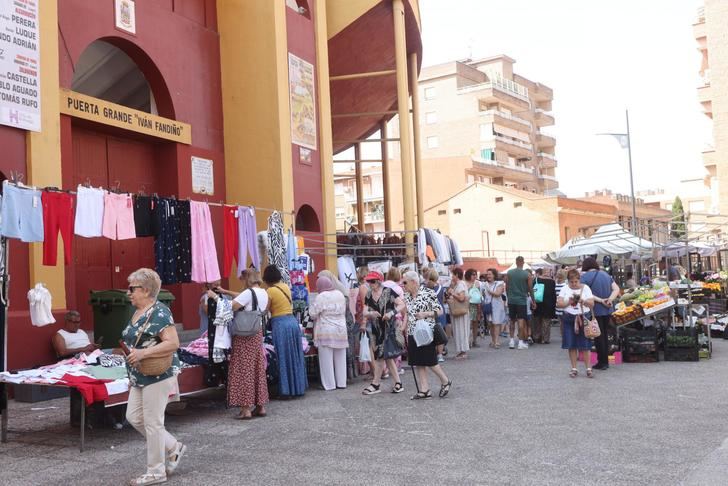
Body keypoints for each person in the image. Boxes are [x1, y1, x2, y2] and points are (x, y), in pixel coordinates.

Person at [121, 268, 185, 485]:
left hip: (158, 374)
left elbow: (173, 343)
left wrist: (142, 353)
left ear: (146, 290)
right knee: (134, 417)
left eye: (132, 288)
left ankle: (156, 472)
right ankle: (174, 447)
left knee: (153, 422)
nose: (128, 292)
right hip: (140, 374)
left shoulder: (160, 312)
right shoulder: (139, 311)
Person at [210, 270, 269, 420]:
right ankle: (260, 406)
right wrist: (225, 291)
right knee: (257, 368)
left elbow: (232, 306)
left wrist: (215, 297)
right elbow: (243, 297)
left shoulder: (248, 293)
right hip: (256, 332)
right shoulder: (263, 292)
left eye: (242, 278)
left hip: (244, 334)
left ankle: (245, 409)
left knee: (243, 369)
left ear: (247, 278)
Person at [401, 271, 452, 400]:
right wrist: (404, 326)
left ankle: (445, 381)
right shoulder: (407, 296)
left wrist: (426, 314)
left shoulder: (428, 293)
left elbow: (440, 311)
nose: (403, 285)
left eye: (405, 282)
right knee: (418, 361)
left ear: (413, 282)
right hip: (412, 331)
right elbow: (407, 312)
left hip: (426, 331)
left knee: (430, 360)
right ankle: (424, 389)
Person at [263, 264, 308, 398]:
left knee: (283, 356)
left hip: (280, 324)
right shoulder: (285, 286)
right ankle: (298, 387)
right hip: (292, 322)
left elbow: (265, 310)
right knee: (294, 355)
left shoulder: (270, 291)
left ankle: (286, 390)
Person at [361, 271, 406, 395]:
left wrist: (391, 313)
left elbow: (402, 304)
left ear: (379, 281)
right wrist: (371, 314)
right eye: (369, 281)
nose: (370, 284)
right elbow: (364, 312)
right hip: (376, 329)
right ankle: (398, 383)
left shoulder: (388, 292)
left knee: (381, 356)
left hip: (388, 328)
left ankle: (376, 384)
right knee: (386, 357)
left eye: (372, 281)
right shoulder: (369, 294)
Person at [309, 275, 348, 391]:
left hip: (326, 331)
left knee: (326, 360)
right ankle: (341, 382)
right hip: (341, 330)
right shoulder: (340, 294)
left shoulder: (321, 297)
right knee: (340, 358)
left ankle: (329, 385)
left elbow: (312, 314)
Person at [581, 257, 620, 371]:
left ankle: (602, 362)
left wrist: (601, 300)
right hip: (608, 309)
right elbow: (616, 289)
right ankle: (605, 361)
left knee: (598, 336)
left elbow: (586, 294)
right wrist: (610, 300)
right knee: (605, 335)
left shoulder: (584, 277)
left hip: (595, 310)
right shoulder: (606, 275)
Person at [557, 268, 595, 378]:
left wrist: (583, 301)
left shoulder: (585, 288)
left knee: (586, 345)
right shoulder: (564, 288)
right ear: (568, 281)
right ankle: (574, 368)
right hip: (569, 318)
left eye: (576, 281)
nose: (574, 284)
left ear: (579, 280)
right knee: (571, 344)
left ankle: (588, 368)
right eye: (571, 282)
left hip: (584, 317)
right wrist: (569, 302)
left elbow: (592, 304)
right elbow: (559, 304)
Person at [506, 256, 536, 350]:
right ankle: (520, 342)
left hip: (511, 300)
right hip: (521, 300)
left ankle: (511, 341)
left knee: (512, 320)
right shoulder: (527, 274)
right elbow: (530, 289)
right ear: (523, 262)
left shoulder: (509, 272)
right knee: (521, 321)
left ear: (516, 262)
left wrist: (509, 297)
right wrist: (533, 301)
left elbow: (507, 286)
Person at [423, 268, 448, 362]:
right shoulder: (441, 288)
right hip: (440, 312)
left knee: (431, 333)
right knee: (439, 333)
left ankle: (432, 353)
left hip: (429, 312)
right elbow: (443, 300)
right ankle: (440, 355)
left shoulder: (424, 287)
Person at [447, 267, 470, 359]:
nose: (452, 276)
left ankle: (463, 351)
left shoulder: (461, 284)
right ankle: (461, 351)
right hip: (458, 312)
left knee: (461, 330)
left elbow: (462, 298)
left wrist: (452, 293)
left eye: (453, 275)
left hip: (461, 311)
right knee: (458, 330)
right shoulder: (458, 284)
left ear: (456, 275)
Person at [482, 269, 506, 348]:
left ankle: (497, 341)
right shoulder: (485, 284)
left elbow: (498, 294)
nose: (488, 276)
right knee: (490, 324)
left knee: (496, 323)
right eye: (487, 274)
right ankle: (493, 340)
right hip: (488, 305)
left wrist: (489, 291)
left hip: (497, 305)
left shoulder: (499, 283)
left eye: (490, 274)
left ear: (494, 275)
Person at [532, 268, 557, 344]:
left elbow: (532, 290)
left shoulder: (536, 280)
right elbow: (553, 294)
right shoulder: (552, 281)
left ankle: (536, 337)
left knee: (537, 320)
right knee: (546, 321)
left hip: (538, 302)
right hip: (548, 303)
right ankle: (545, 338)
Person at [465, 268, 482, 348]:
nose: (474, 276)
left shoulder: (477, 283)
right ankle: (468, 341)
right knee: (468, 324)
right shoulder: (465, 283)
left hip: (475, 305)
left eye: (475, 274)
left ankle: (474, 340)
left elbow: (479, 295)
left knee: (475, 323)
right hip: (467, 305)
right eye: (473, 274)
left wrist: (479, 308)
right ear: (469, 275)